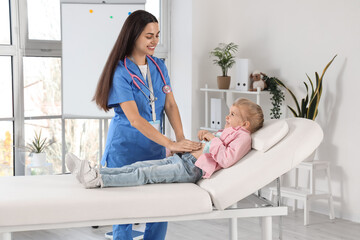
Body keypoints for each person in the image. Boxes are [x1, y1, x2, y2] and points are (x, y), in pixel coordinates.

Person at [91, 10, 201, 240]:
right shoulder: (120, 72)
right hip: (125, 146)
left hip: (154, 146)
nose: (155, 41)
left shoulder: (159, 66)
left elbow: (170, 105)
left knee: (160, 207)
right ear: (133, 36)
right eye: (148, 36)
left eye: (157, 35)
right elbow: (135, 119)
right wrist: (170, 142)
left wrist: (180, 140)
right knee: (124, 212)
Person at [66, 98, 264, 189]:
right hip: (185, 160)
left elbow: (227, 159)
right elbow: (214, 149)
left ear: (245, 124)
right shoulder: (229, 132)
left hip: (190, 170)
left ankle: (99, 181)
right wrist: (200, 141)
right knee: (139, 166)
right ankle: (95, 174)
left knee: (145, 174)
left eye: (233, 114)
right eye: (229, 112)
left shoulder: (244, 137)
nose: (227, 116)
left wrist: (212, 139)